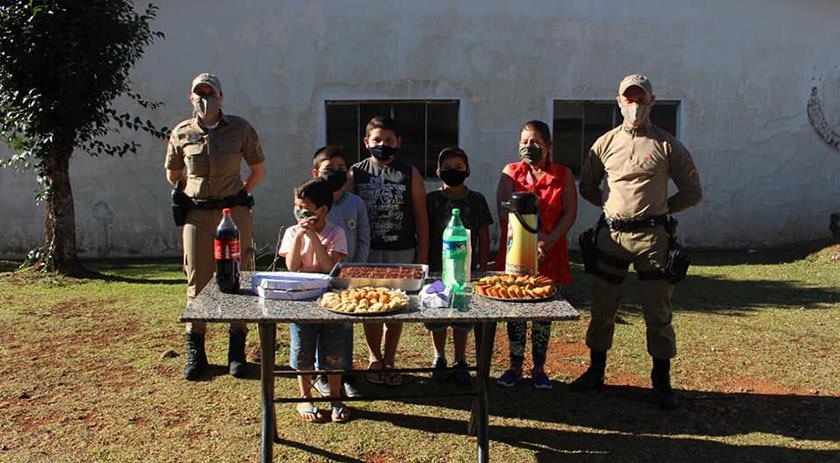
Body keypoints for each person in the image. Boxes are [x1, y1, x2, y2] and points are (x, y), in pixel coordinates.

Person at [574, 74, 703, 409]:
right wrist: (607, 205)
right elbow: (587, 184)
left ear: (652, 101)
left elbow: (692, 191)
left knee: (657, 310)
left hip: (653, 240)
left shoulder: (667, 145)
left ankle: (661, 382)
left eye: (640, 99)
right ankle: (595, 372)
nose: (634, 105)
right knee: (602, 307)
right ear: (618, 102)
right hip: (612, 236)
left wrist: (661, 210)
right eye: (628, 99)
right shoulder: (603, 144)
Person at [164, 73, 265, 381]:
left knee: (240, 277)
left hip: (233, 211)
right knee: (197, 279)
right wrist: (191, 189)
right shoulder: (181, 132)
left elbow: (257, 169)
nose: (205, 97)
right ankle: (197, 352)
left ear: (221, 96)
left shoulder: (240, 129)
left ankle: (237, 352)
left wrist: (240, 194)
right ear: (191, 97)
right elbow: (173, 173)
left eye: (210, 92)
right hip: (197, 216)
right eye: (199, 92)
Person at [495, 120, 577, 389]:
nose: (528, 147)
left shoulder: (563, 175)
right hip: (517, 253)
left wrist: (550, 241)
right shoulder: (511, 172)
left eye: (535, 142)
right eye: (524, 141)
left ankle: (539, 367)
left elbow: (569, 212)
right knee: (516, 310)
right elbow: (504, 209)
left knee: (544, 313)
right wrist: (530, 239)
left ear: (549, 145)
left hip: (551, 254)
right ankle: (514, 366)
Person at [350, 115, 429, 386]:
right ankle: (374, 357)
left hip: (402, 251)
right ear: (366, 142)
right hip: (367, 252)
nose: (383, 144)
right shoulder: (355, 172)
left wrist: (422, 255)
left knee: (397, 306)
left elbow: (421, 216)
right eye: (377, 140)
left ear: (399, 142)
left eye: (389, 140)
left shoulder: (410, 172)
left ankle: (391, 358)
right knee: (370, 305)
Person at [278, 178, 351, 423]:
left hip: (331, 300)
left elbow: (329, 266)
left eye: (306, 209)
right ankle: (305, 397)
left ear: (322, 211)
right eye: (297, 208)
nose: (300, 213)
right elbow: (292, 266)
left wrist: (314, 237)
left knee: (334, 351)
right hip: (301, 300)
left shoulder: (336, 233)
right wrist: (300, 236)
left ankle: (335, 396)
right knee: (303, 351)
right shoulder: (291, 232)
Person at [425, 147, 493, 385]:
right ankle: (439, 357)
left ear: (468, 170)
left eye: (458, 168)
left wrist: (482, 267)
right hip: (436, 268)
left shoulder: (477, 200)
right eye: (447, 168)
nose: (453, 172)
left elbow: (484, 234)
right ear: (438, 171)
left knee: (462, 316)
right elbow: (423, 233)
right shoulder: (431, 199)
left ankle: (460, 360)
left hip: (465, 270)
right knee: (438, 314)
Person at [309, 145, 370, 398]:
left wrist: (358, 270)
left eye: (341, 169)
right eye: (329, 169)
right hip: (318, 277)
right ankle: (321, 371)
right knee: (319, 325)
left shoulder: (355, 203)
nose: (336, 173)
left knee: (345, 326)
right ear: (316, 173)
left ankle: (344, 370)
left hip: (348, 278)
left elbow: (364, 237)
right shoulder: (309, 202)